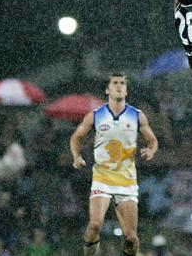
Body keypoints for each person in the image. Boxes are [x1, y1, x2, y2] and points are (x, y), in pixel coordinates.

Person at [69, 73, 158, 256]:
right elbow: (76, 137)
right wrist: (76, 156)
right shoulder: (95, 115)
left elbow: (153, 140)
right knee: (94, 225)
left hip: (127, 182)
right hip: (102, 178)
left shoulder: (137, 116)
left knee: (131, 238)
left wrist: (151, 150)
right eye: (115, 83)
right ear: (107, 89)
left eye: (122, 83)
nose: (119, 86)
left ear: (126, 89)